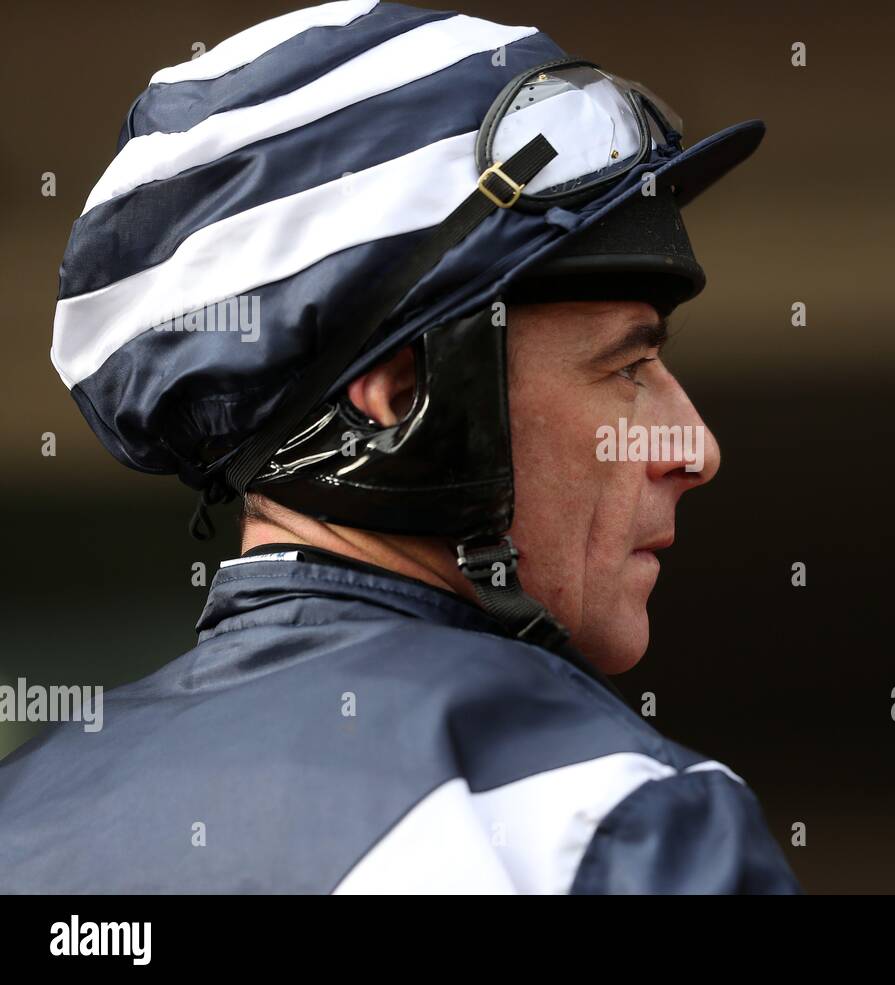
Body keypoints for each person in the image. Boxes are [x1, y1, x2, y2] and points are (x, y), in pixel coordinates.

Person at [1, 2, 801, 893]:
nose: (694, 447)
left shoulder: (22, 822)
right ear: (396, 392)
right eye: (627, 366)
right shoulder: (607, 823)